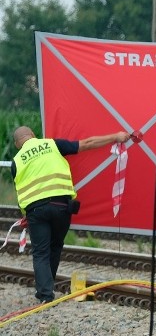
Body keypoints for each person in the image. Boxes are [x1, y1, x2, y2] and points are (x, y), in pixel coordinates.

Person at [10, 126, 131, 303]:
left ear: (16, 144)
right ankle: (46, 289)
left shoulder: (16, 161)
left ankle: (45, 295)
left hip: (36, 210)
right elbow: (87, 143)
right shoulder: (52, 144)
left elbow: (21, 189)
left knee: (41, 252)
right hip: (61, 205)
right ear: (34, 136)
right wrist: (116, 137)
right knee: (55, 246)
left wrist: (26, 216)